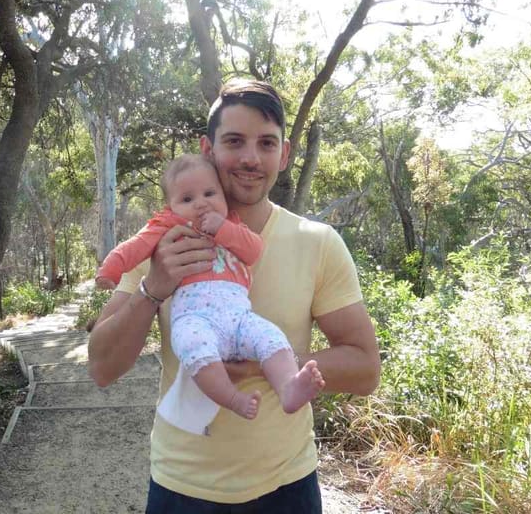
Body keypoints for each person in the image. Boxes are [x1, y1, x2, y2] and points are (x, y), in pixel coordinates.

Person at [88, 78, 380, 512]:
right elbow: (101, 367)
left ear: (284, 154)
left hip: (288, 487)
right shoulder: (164, 240)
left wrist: (276, 363)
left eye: (266, 143)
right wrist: (153, 289)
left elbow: (364, 368)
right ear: (208, 150)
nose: (250, 157)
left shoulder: (317, 242)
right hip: (182, 486)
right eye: (234, 141)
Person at [95, 154, 325, 432]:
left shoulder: (231, 221)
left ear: (223, 194)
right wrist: (109, 271)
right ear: (170, 207)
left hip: (239, 318)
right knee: (192, 345)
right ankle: (232, 398)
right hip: (195, 319)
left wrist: (223, 229)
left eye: (209, 193)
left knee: (271, 337)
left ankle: (288, 387)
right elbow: (133, 247)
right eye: (187, 199)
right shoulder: (167, 227)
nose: (201, 203)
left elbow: (253, 250)